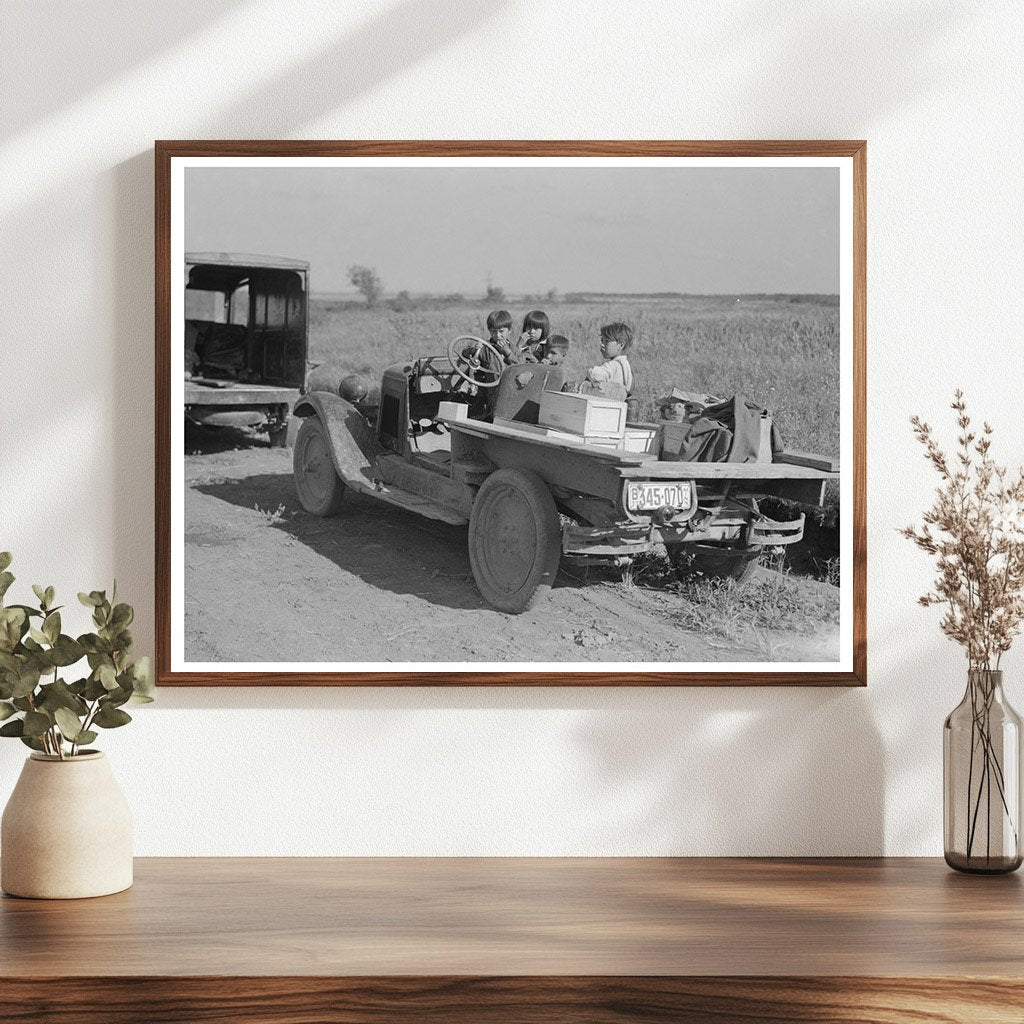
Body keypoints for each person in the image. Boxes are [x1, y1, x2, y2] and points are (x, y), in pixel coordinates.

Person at [584, 321, 634, 397]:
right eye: (602, 341)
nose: (602, 345)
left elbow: (596, 375)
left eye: (606, 342)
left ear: (621, 345)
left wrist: (590, 373)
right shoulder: (625, 365)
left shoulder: (613, 365)